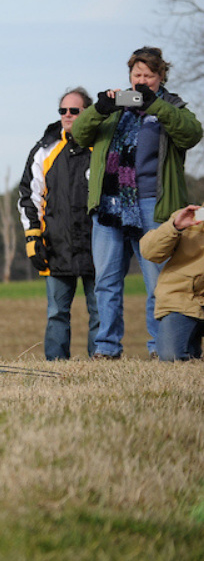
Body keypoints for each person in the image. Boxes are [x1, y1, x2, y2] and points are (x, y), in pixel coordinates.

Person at [71, 46, 202, 358]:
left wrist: (157, 106)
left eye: (149, 76)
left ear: (161, 77)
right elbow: (79, 133)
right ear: (129, 76)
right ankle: (106, 347)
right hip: (109, 205)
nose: (142, 81)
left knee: (158, 280)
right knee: (106, 281)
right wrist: (99, 108)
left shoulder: (172, 106)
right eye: (137, 75)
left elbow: (192, 134)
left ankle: (160, 346)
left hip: (153, 205)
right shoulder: (115, 107)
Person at [18, 88, 100, 360]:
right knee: (56, 313)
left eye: (74, 111)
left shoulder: (101, 146)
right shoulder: (45, 149)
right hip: (57, 245)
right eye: (63, 110)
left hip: (97, 245)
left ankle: (101, 361)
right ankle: (56, 364)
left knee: (100, 310)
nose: (67, 115)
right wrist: (33, 237)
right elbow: (30, 196)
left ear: (87, 113)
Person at [139, 205, 204, 361]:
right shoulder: (191, 216)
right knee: (170, 357)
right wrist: (174, 227)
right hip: (183, 299)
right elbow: (150, 252)